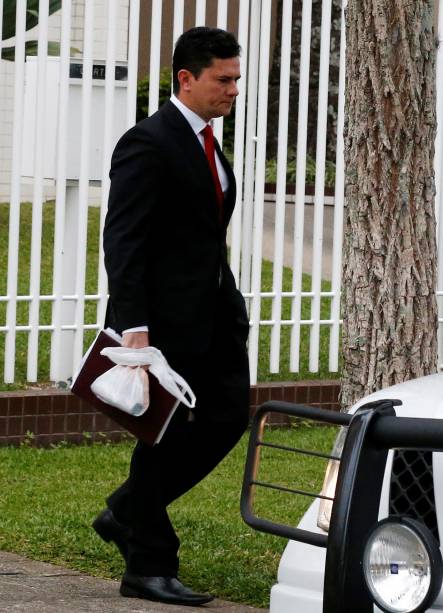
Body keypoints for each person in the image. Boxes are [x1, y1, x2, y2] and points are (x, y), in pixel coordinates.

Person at [94, 27, 250, 605]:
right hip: (162, 326)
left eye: (236, 79)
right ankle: (148, 563)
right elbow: (124, 240)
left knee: (229, 416)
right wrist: (134, 326)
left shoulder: (210, 142)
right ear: (185, 78)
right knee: (162, 438)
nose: (233, 90)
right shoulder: (148, 143)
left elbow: (205, 236)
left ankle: (124, 512)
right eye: (223, 80)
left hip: (214, 317)